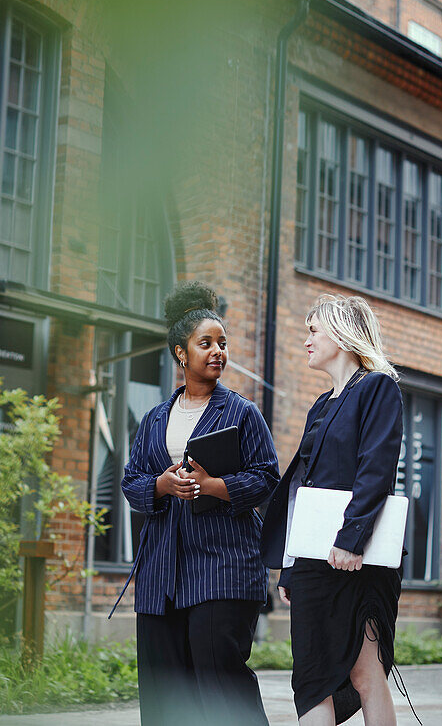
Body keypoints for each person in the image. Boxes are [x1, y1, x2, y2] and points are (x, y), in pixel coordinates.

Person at [118, 281, 280, 726]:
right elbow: (131, 483)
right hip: (160, 574)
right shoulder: (153, 418)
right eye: (205, 343)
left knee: (220, 684)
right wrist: (161, 485)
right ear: (180, 353)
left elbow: (267, 478)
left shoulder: (242, 413)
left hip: (221, 568)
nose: (217, 352)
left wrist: (211, 486)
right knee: (164, 688)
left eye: (223, 344)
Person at [261, 293, 406, 726]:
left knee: (365, 672)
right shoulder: (320, 406)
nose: (306, 340)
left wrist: (349, 541)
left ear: (341, 335)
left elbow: (375, 470)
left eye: (312, 330)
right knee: (311, 677)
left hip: (355, 558)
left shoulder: (377, 387)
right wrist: (290, 566)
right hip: (313, 560)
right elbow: (302, 489)